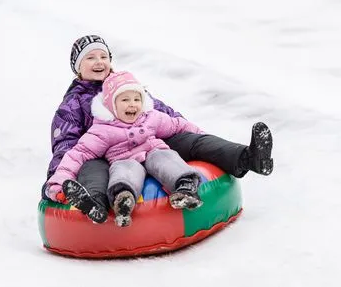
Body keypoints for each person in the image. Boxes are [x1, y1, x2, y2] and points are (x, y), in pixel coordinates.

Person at [43, 34, 273, 223]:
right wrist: (57, 179)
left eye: (103, 56)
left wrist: (196, 134)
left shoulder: (125, 85)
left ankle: (249, 158)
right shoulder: (72, 104)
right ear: (77, 67)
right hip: (105, 153)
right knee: (93, 170)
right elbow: (68, 145)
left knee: (189, 141)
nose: (99, 62)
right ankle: (95, 203)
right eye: (90, 58)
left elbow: (163, 114)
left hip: (148, 141)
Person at [46, 71, 204, 226]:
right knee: (123, 171)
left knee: (165, 158)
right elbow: (78, 154)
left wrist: (202, 136)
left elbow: (178, 125)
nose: (132, 104)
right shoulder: (102, 129)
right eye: (125, 100)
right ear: (111, 106)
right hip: (124, 159)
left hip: (153, 151)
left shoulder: (150, 117)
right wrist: (59, 181)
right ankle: (123, 200)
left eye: (137, 99)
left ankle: (186, 187)